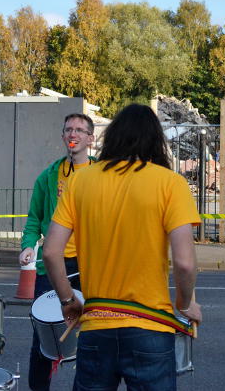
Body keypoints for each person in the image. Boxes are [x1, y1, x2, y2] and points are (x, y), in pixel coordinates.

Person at [43, 103, 201, 391]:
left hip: (96, 327)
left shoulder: (80, 181)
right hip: (150, 329)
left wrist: (69, 301)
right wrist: (185, 304)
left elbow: (51, 252)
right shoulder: (171, 184)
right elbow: (185, 263)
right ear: (156, 141)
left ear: (113, 136)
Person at [19, 112, 95, 390]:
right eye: (68, 130)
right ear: (63, 136)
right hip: (52, 266)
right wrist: (28, 246)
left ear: (90, 137)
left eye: (79, 130)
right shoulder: (48, 176)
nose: (73, 134)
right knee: (44, 339)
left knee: (92, 337)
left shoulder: (104, 174)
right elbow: (33, 221)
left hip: (91, 267)